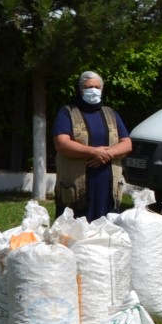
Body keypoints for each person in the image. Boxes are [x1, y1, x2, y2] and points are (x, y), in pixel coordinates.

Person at [53, 71, 131, 221]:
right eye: (88, 87)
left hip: (106, 184)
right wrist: (93, 152)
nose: (93, 90)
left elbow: (127, 143)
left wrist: (107, 154)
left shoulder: (111, 113)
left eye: (97, 87)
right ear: (80, 89)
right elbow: (62, 143)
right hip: (77, 185)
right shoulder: (67, 112)